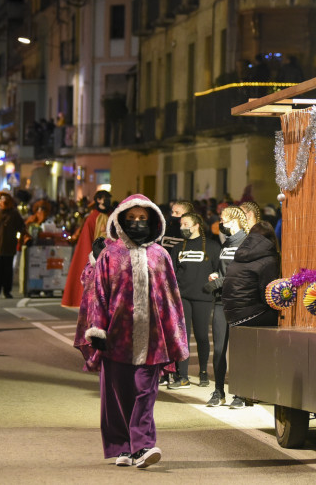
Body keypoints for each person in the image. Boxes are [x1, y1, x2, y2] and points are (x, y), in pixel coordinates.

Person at [74, 194, 189, 469]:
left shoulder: (160, 255)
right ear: (121, 220)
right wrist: (96, 330)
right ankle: (122, 446)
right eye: (132, 218)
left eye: (143, 219)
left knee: (144, 393)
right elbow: (96, 294)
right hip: (116, 338)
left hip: (152, 339)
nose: (137, 223)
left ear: (153, 221)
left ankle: (143, 445)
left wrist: (174, 336)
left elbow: (171, 298)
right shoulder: (110, 255)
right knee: (117, 394)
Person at [220, 217, 281, 408]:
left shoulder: (241, 252)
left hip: (232, 315)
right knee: (285, 325)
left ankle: (242, 393)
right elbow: (268, 293)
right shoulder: (269, 259)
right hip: (252, 314)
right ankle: (272, 386)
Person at [202, 205, 248, 407]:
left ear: (235, 220)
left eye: (223, 219)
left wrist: (221, 280)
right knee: (219, 349)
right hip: (221, 301)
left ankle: (240, 394)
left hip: (239, 302)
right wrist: (216, 276)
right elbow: (223, 269)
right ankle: (218, 391)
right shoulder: (226, 243)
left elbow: (243, 274)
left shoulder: (247, 242)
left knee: (239, 350)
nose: (221, 223)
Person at [169, 213, 220, 389]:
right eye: (181, 224)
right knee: (182, 336)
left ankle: (203, 371)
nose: (182, 227)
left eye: (186, 224)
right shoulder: (177, 248)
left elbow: (218, 271)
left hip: (203, 298)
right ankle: (182, 375)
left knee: (201, 336)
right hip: (182, 297)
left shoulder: (213, 247)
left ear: (197, 225)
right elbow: (172, 273)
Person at [62, 190, 112, 308]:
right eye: (104, 198)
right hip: (96, 256)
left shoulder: (113, 216)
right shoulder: (92, 218)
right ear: (98, 200)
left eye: (108, 197)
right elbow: (86, 239)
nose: (107, 200)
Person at [0, 191, 26, 299]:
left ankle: (7, 291)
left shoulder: (15, 214)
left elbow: (22, 227)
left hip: (9, 247)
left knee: (8, 271)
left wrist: (22, 239)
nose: (4, 202)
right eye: (2, 200)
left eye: (6, 200)